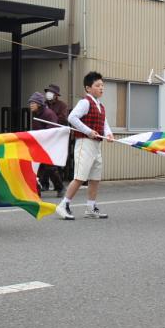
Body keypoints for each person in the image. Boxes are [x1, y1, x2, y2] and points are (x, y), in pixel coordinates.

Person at [56, 71, 113, 220]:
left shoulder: (101, 106)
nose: (101, 88)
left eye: (102, 85)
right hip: (84, 143)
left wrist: (109, 134)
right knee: (80, 176)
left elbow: (104, 124)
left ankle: (90, 207)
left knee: (95, 177)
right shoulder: (85, 102)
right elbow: (72, 117)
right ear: (88, 88)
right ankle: (63, 205)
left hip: (96, 145)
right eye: (97, 85)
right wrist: (88, 131)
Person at [29, 91, 65, 198]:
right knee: (36, 167)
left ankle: (60, 187)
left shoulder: (49, 114)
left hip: (50, 143)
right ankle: (36, 190)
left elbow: (52, 130)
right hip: (39, 143)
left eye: (33, 103)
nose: (31, 105)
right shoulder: (36, 113)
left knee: (50, 168)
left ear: (39, 104)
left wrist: (42, 138)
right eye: (30, 103)